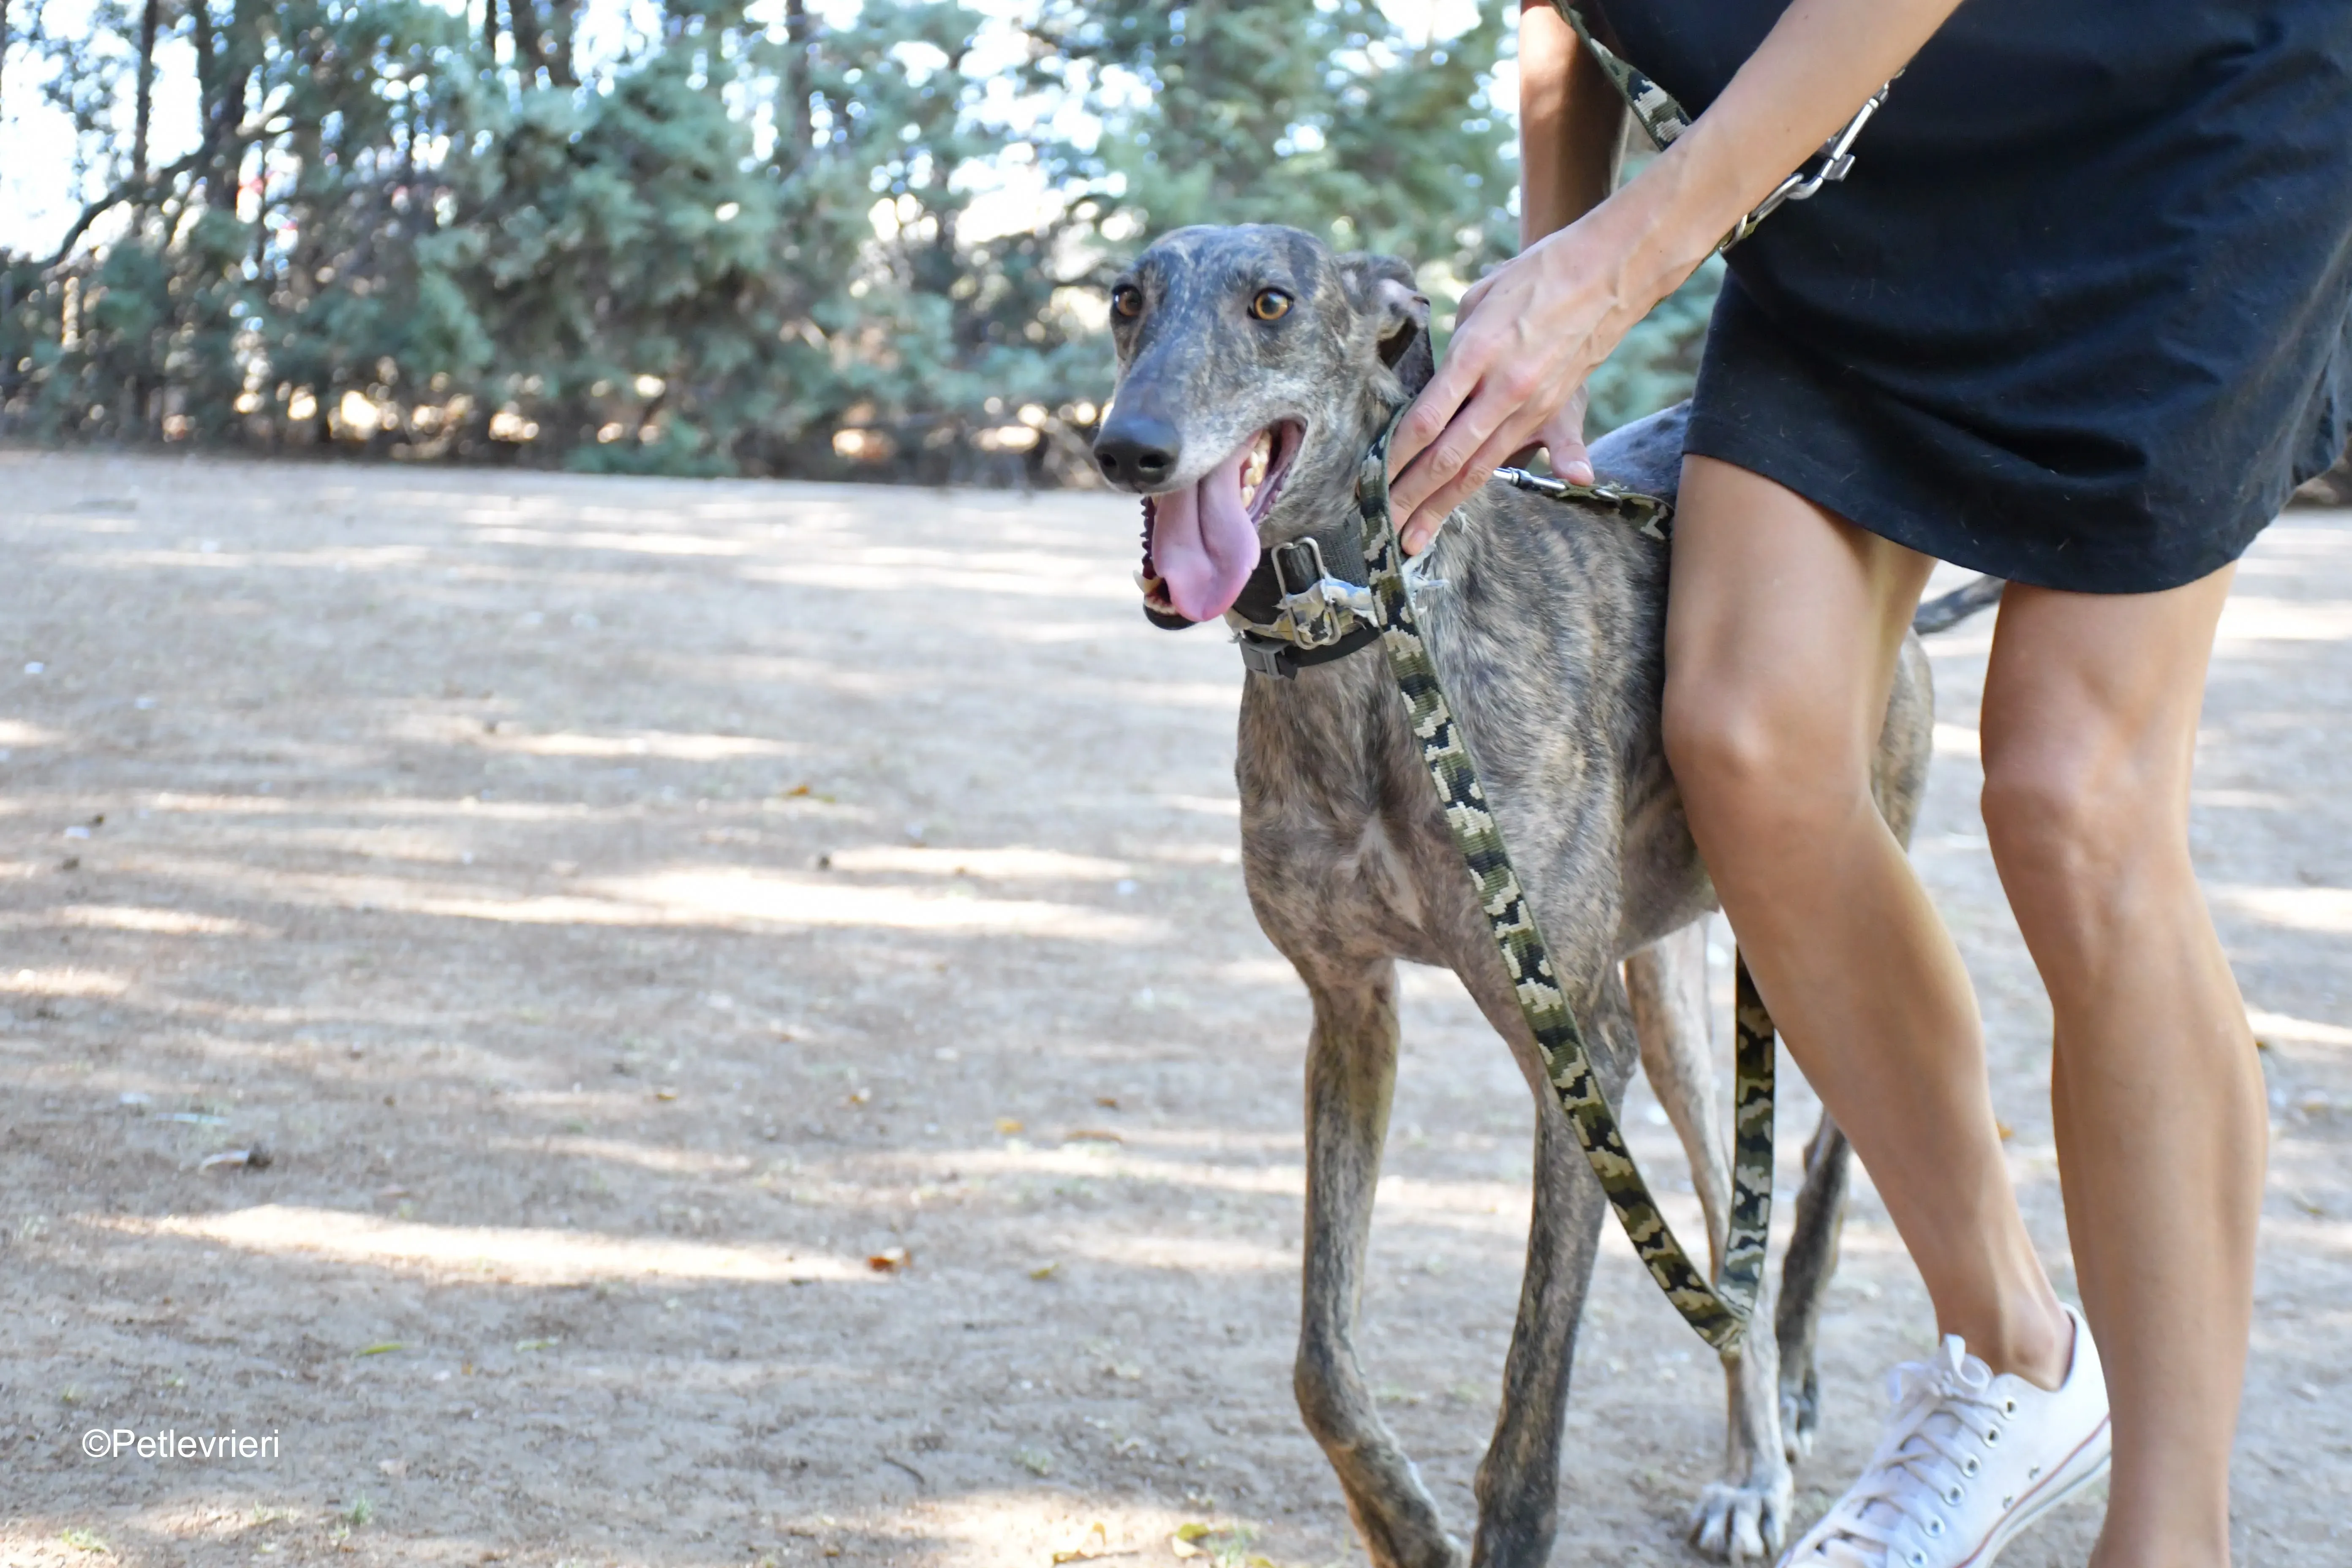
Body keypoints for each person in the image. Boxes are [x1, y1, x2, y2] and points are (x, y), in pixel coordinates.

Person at [1384, 2, 2352, 1565]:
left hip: (2187, 116)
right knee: (1752, 739)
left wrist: (1618, 265)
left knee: (2073, 797)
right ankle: (2016, 1360)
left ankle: (2173, 1536)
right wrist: (1557, 264)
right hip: (1842, 156)